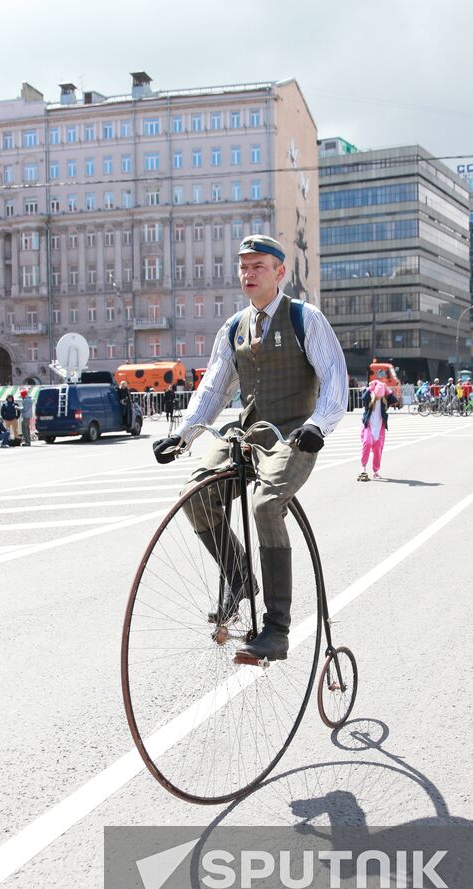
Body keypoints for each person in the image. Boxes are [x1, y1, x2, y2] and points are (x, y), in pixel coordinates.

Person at [153, 234, 347, 662]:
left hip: (293, 434)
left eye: (258, 266)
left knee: (265, 504)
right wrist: (185, 434)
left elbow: (335, 379)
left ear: (280, 272)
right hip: (249, 433)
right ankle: (239, 576)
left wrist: (319, 425)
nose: (249, 274)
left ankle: (277, 629)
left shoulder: (305, 319)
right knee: (196, 494)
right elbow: (215, 386)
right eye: (243, 267)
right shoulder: (234, 327)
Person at [358, 379, 397, 481]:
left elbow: (394, 400)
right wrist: (371, 387)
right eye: (378, 394)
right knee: (367, 443)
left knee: (378, 449)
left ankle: (376, 471)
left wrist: (386, 389)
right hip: (369, 426)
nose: (379, 397)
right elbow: (363, 397)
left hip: (380, 428)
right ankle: (363, 466)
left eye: (381, 395)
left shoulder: (385, 400)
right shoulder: (370, 398)